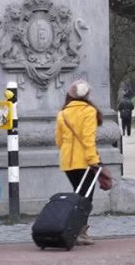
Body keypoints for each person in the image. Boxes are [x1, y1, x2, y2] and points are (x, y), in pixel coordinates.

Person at [55, 80, 102, 246]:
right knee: (86, 199)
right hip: (84, 161)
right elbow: (88, 138)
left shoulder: (62, 113)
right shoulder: (89, 111)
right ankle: (80, 231)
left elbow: (59, 141)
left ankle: (76, 229)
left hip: (67, 161)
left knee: (78, 195)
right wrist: (93, 160)